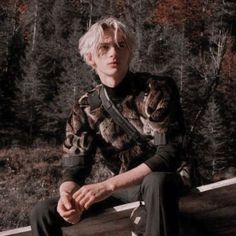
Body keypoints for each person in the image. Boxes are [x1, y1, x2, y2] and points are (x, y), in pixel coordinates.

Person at [30, 16, 185, 236]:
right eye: (104, 47)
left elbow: (168, 155)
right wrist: (67, 195)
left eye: (121, 45)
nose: (114, 52)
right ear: (90, 57)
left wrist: (107, 186)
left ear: (129, 53)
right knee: (43, 211)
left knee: (156, 181)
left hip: (170, 181)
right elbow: (75, 167)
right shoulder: (85, 107)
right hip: (125, 189)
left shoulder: (156, 88)